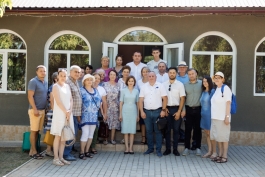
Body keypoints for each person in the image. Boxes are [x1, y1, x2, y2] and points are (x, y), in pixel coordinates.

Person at [139, 71, 168, 157]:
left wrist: (163, 110)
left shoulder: (160, 86)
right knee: (148, 131)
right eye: (149, 76)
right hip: (147, 112)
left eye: (152, 76)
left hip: (157, 112)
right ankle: (150, 148)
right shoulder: (144, 87)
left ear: (156, 77)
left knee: (158, 131)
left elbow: (165, 98)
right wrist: (141, 111)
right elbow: (141, 100)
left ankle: (158, 150)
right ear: (147, 77)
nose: (151, 77)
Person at [50, 69, 74, 166]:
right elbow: (58, 101)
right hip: (60, 114)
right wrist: (65, 111)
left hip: (68, 114)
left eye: (65, 76)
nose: (63, 77)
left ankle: (61, 157)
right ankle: (55, 158)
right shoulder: (55, 87)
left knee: (64, 137)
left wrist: (69, 111)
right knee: (58, 136)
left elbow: (71, 99)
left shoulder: (67, 86)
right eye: (61, 76)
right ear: (58, 76)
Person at [162, 67, 185, 156]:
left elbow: (182, 98)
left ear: (176, 74)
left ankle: (175, 149)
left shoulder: (180, 85)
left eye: (173, 73)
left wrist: (179, 111)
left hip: (176, 109)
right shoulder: (163, 84)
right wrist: (164, 108)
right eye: (170, 72)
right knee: (167, 130)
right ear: (168, 73)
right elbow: (162, 97)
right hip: (167, 109)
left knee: (176, 130)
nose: (172, 74)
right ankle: (168, 149)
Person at [210, 72, 232, 163]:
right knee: (218, 137)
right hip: (214, 117)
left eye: (219, 78)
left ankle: (224, 156)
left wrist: (227, 117)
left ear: (223, 79)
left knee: (224, 137)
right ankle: (219, 154)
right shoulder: (216, 89)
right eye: (215, 78)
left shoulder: (225, 88)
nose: (217, 79)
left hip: (222, 118)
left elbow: (228, 103)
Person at [79, 74, 101, 159]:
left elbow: (99, 101)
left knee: (91, 134)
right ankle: (81, 152)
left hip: (94, 115)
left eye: (91, 80)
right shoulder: (81, 90)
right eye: (87, 80)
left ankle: (87, 151)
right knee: (85, 133)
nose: (89, 81)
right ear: (84, 81)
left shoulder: (95, 90)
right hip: (85, 116)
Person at [28, 65, 48, 159]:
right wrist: (35, 109)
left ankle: (32, 151)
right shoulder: (33, 81)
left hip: (42, 110)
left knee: (37, 132)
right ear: (37, 72)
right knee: (34, 131)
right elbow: (30, 96)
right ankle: (34, 152)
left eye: (44, 71)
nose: (43, 73)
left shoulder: (45, 82)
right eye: (41, 71)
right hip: (35, 110)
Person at [182, 68, 202, 156]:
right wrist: (183, 110)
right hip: (188, 109)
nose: (191, 75)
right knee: (188, 129)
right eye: (189, 74)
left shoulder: (202, 84)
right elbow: (183, 98)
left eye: (192, 74)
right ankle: (187, 148)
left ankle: (198, 147)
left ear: (196, 74)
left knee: (198, 130)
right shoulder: (185, 85)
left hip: (198, 109)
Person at [63, 65, 82, 161]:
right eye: (76, 72)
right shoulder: (67, 82)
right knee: (69, 134)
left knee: (72, 133)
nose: (78, 74)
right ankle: (66, 154)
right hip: (70, 114)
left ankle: (69, 151)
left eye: (79, 72)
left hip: (75, 113)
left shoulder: (76, 82)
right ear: (70, 72)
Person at [119, 76, 139, 154]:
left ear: (134, 82)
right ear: (127, 82)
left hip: (133, 111)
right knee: (126, 130)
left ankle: (131, 148)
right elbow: (121, 102)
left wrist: (138, 115)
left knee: (132, 130)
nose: (131, 82)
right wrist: (120, 114)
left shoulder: (136, 91)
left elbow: (138, 103)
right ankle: (126, 148)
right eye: (129, 81)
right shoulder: (123, 91)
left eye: (132, 81)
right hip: (125, 110)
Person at [90, 73, 108, 154]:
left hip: (98, 111)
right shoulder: (88, 87)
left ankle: (92, 147)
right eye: (95, 78)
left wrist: (105, 113)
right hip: (88, 111)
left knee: (96, 129)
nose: (97, 80)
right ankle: (86, 147)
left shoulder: (102, 89)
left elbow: (104, 102)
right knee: (88, 130)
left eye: (98, 78)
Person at [200, 76, 217, 159]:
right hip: (203, 115)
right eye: (203, 81)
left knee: (211, 134)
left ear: (209, 82)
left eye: (206, 81)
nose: (205, 83)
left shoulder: (212, 91)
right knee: (207, 134)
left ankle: (214, 152)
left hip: (210, 116)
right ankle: (209, 151)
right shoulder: (203, 92)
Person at [103, 70, 120, 145]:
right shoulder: (104, 84)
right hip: (107, 106)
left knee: (114, 123)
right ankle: (105, 139)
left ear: (116, 76)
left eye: (114, 75)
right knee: (106, 122)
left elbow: (120, 97)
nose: (112, 76)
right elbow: (103, 97)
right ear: (108, 76)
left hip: (115, 107)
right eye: (111, 74)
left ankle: (112, 139)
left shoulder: (118, 85)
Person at [44, 72, 58, 157]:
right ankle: (48, 150)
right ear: (55, 79)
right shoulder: (53, 87)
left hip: (56, 110)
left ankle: (52, 149)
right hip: (52, 110)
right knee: (50, 130)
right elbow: (51, 100)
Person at [136, 67, 150, 144]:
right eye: (144, 72)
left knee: (150, 122)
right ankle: (143, 138)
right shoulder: (139, 82)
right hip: (142, 104)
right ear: (141, 73)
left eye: (147, 71)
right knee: (143, 122)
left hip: (151, 104)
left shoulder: (152, 81)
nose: (145, 73)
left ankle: (149, 137)